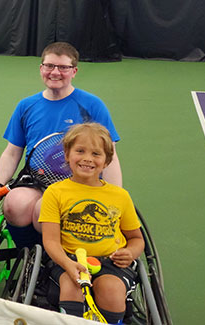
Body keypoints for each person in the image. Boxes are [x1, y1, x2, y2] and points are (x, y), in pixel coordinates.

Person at [0, 42, 122, 249]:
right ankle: (29, 256)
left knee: (43, 211)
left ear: (74, 71)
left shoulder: (92, 105)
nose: (55, 72)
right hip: (36, 180)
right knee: (13, 205)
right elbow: (12, 152)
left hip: (80, 183)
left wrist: (115, 196)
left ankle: (51, 258)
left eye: (63, 67)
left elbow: (111, 156)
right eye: (49, 66)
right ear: (41, 69)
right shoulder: (26, 106)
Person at [39, 122, 142, 324]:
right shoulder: (55, 192)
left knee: (111, 291)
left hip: (111, 262)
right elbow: (50, 241)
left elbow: (136, 239)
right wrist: (68, 264)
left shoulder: (120, 196)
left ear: (106, 162)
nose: (87, 158)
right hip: (68, 260)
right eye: (80, 151)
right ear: (67, 155)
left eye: (96, 154)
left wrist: (130, 253)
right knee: (72, 287)